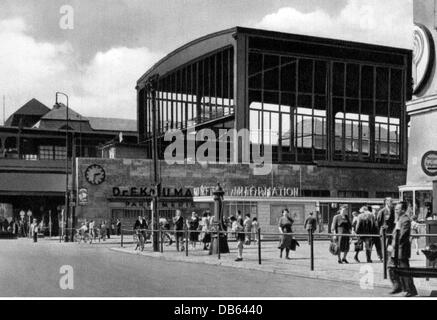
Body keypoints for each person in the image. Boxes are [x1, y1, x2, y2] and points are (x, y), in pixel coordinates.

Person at [388, 201, 418, 297]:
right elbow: (396, 234)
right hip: (396, 249)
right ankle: (397, 286)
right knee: (391, 268)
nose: (395, 210)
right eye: (395, 208)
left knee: (404, 270)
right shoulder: (399, 219)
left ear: (403, 210)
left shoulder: (405, 220)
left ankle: (410, 290)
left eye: (398, 209)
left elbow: (402, 236)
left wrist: (392, 246)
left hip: (401, 249)